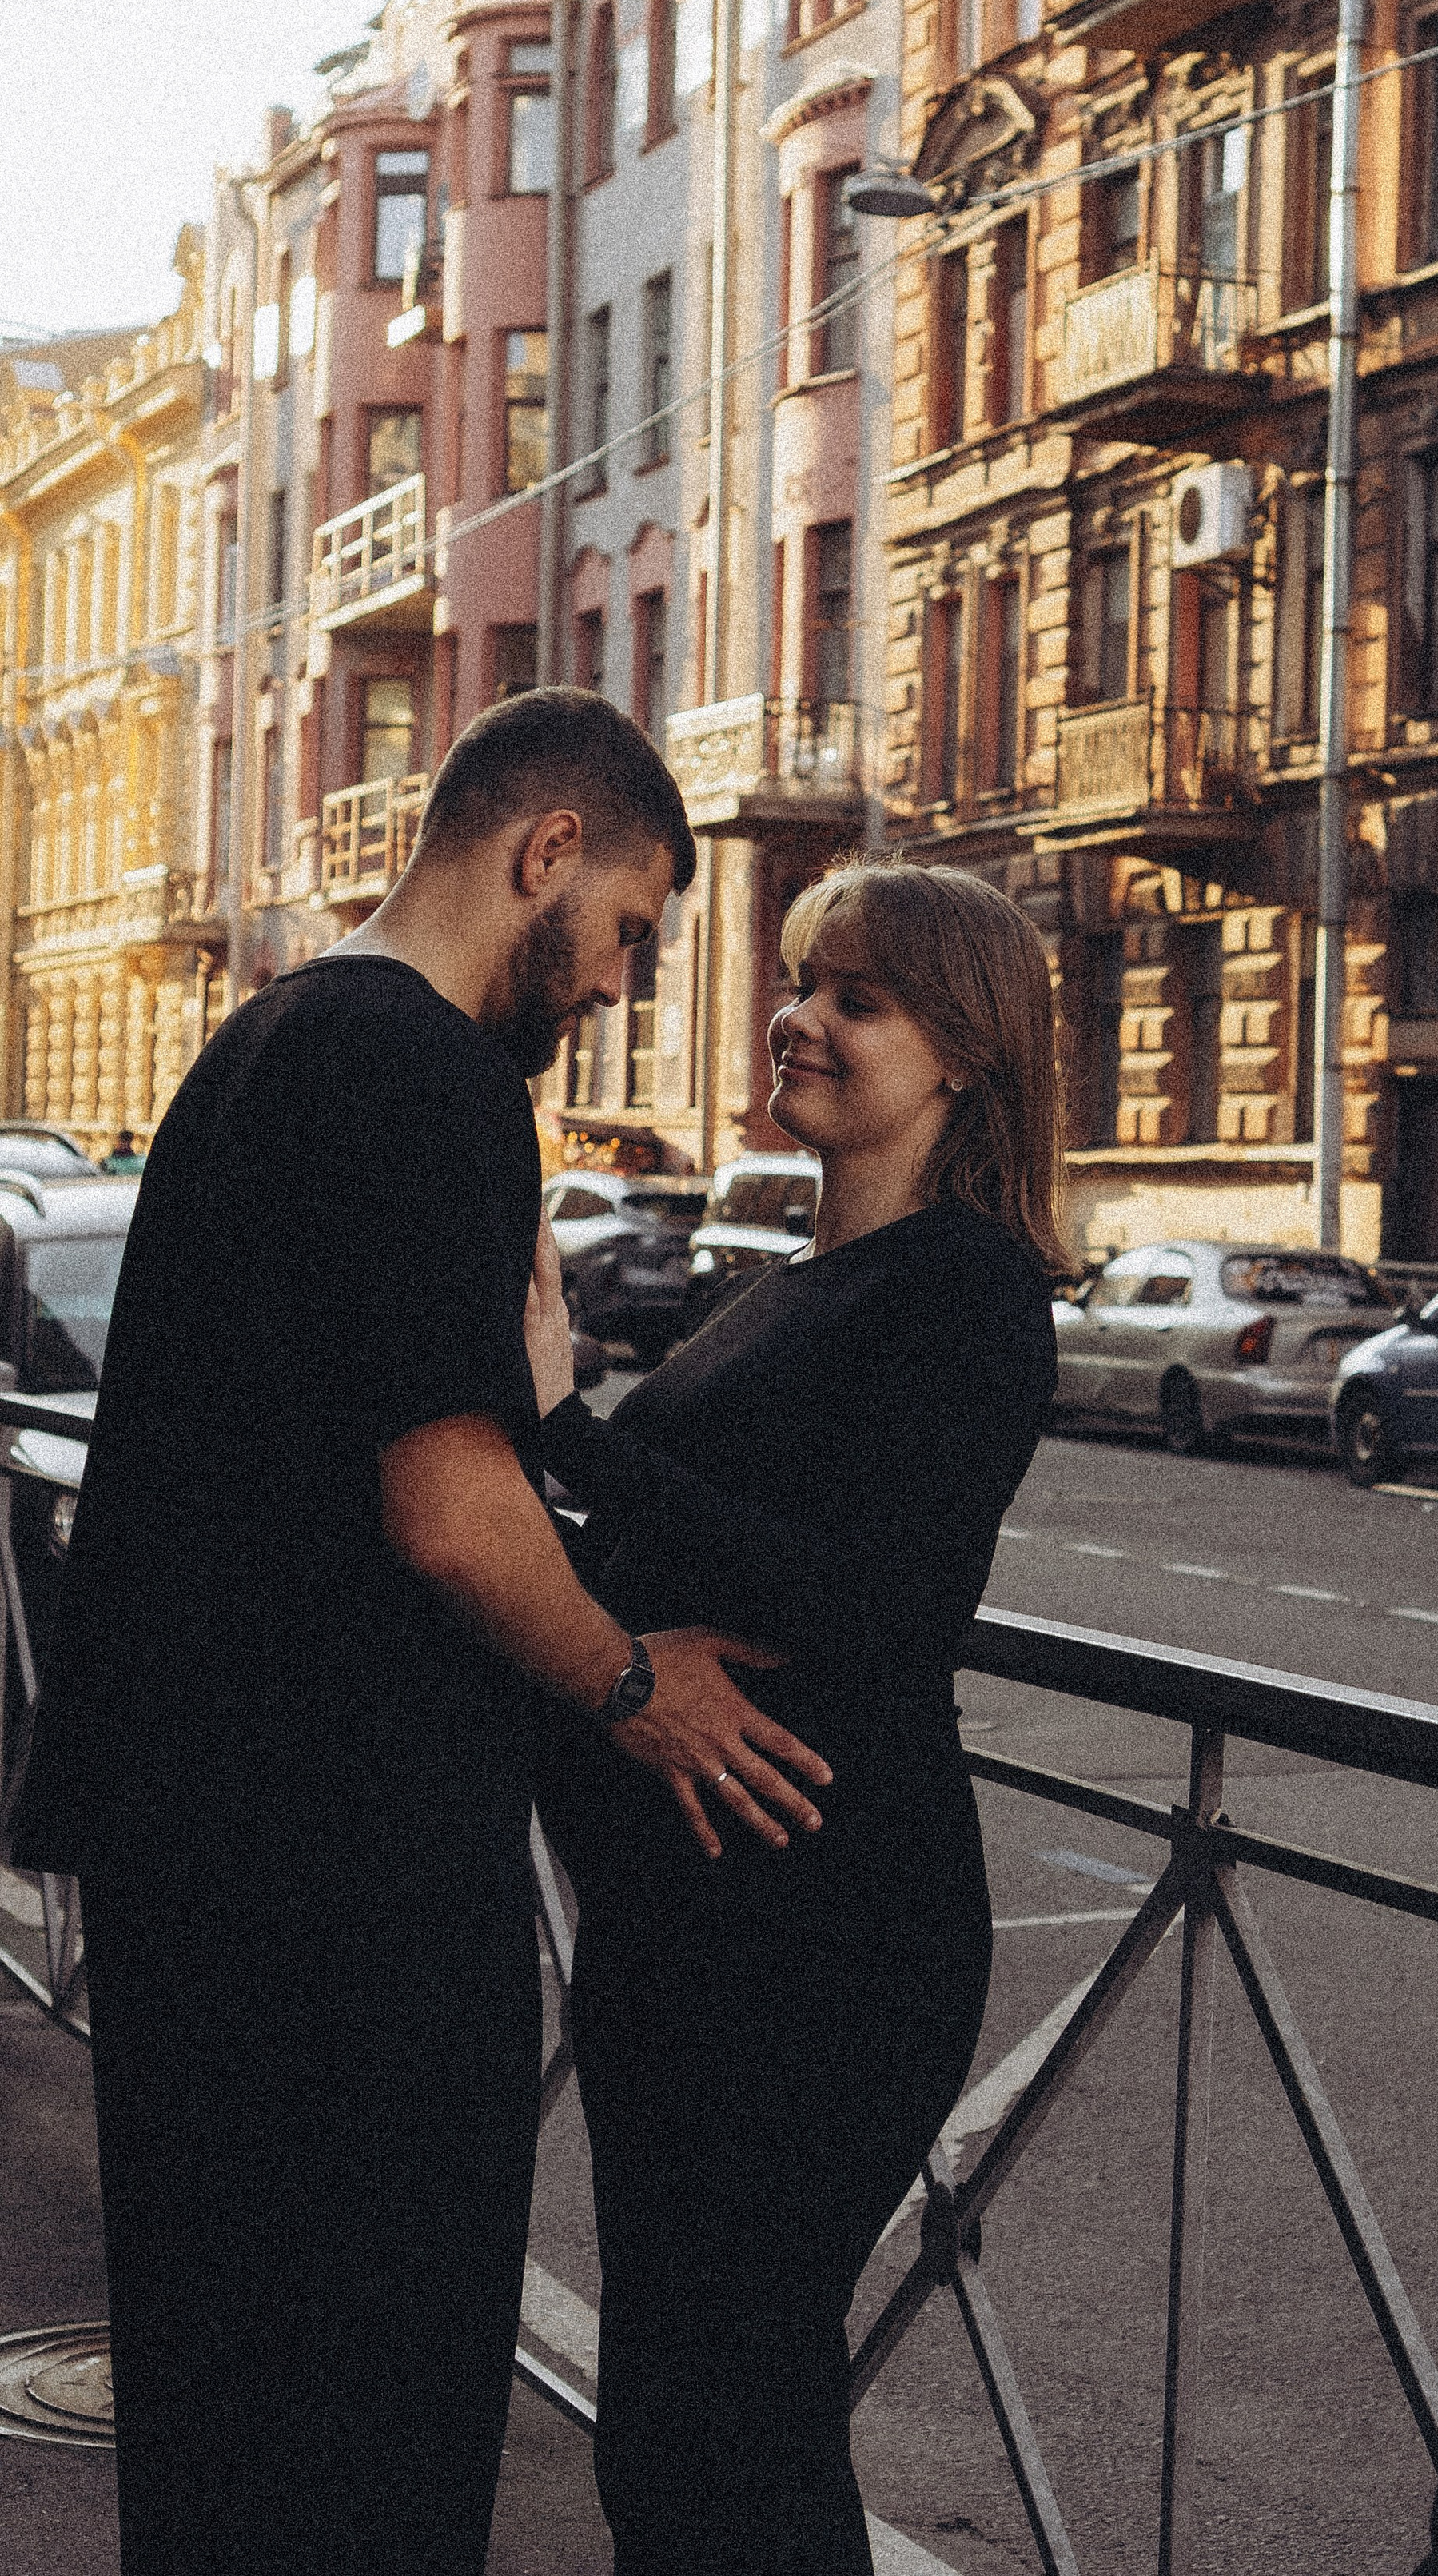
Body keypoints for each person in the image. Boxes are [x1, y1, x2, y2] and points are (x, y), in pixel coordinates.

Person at [10, 688, 829, 2576]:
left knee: (222, 2430)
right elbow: (449, 1518)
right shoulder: (430, 1078)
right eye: (629, 929)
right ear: (546, 853)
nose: (619, 986)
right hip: (340, 1883)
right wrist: (645, 1692)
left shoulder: (270, 1037)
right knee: (365, 2430)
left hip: (200, 1855)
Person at [524, 859, 1066, 2576]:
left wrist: (569, 1432)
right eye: (798, 980)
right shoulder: (795, 1270)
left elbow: (883, 1613)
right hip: (690, 1915)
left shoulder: (968, 1288)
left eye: (858, 997)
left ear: (963, 1051)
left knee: (731, 2419)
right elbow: (667, 1554)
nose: (799, 1018)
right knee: (679, 2419)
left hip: (825, 1927)